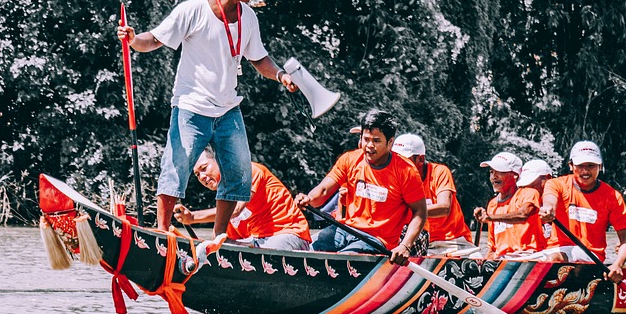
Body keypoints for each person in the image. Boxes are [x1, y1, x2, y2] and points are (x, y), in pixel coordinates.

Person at [118, 0, 298, 234]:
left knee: (238, 172)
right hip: (191, 106)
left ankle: (219, 236)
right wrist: (133, 39)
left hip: (228, 108)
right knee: (177, 167)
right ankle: (162, 232)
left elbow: (259, 58)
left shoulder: (248, 17)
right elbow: (154, 39)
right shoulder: (194, 9)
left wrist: (280, 75)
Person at [294, 110, 427, 265]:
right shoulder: (350, 159)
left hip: (377, 240)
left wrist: (405, 245)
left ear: (390, 143)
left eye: (376, 141)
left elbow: (420, 212)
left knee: (342, 262)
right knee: (306, 252)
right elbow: (323, 190)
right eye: (366, 139)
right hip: (345, 230)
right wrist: (308, 199)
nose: (369, 146)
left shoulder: (406, 171)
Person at [173, 150, 311, 251]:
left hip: (290, 235)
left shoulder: (248, 171)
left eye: (204, 168)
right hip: (257, 242)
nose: (202, 177)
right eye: (197, 174)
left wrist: (192, 217)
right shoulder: (223, 198)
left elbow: (236, 210)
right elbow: (226, 238)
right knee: (217, 247)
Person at [538, 141, 626, 280]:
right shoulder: (556, 184)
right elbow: (549, 201)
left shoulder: (613, 196)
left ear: (600, 167)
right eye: (580, 166)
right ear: (571, 166)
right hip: (558, 250)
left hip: (590, 256)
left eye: (591, 166)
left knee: (553, 259)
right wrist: (548, 209)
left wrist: (618, 264)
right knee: (542, 259)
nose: (585, 171)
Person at [391, 133, 478, 256]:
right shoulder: (396, 179)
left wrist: (412, 211)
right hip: (421, 243)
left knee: (476, 263)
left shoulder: (440, 172)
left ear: (420, 159)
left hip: (453, 242)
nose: (399, 164)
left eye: (404, 160)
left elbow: (444, 208)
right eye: (396, 159)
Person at [472, 152, 546, 258]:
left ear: (515, 175)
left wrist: (490, 217)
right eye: (492, 172)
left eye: (500, 172)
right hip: (503, 259)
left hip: (528, 256)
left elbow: (522, 215)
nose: (494, 176)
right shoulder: (492, 204)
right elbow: (492, 248)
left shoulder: (529, 193)